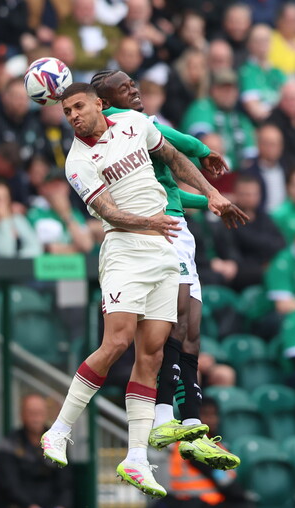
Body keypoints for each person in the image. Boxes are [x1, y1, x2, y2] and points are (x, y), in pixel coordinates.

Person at [39, 82, 245, 498]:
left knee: (152, 353)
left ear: (100, 104)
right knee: (116, 343)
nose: (73, 116)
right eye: (67, 113)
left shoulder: (135, 123)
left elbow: (172, 155)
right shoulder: (77, 162)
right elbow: (108, 211)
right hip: (124, 249)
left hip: (163, 249)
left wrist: (212, 193)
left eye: (79, 107)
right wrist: (150, 221)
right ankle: (59, 430)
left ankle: (136, 458)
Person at [92, 69, 236, 469]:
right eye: (124, 87)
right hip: (157, 234)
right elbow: (178, 141)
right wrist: (204, 152)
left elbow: (172, 189)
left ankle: (190, 424)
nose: (133, 90)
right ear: (105, 102)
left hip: (177, 231)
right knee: (170, 326)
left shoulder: (137, 133)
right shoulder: (127, 126)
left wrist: (211, 202)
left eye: (133, 84)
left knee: (190, 332)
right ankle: (161, 417)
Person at [0, 181, 43, 258]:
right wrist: (4, 220)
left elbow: (37, 249)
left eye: (5, 198)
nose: (1, 203)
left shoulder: (17, 219)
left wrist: (18, 257)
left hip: (21, 267)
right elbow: (5, 253)